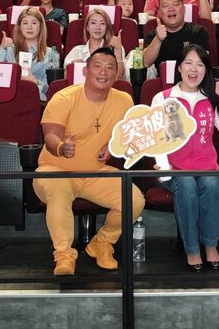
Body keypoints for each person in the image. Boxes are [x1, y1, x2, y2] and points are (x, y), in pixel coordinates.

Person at [34, 47, 145, 276]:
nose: (103, 72)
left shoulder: (124, 100)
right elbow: (50, 135)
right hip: (56, 169)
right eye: (97, 66)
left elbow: (127, 135)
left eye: (110, 68)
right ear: (85, 71)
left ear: (117, 75)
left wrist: (112, 149)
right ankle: (64, 255)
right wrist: (61, 147)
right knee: (59, 189)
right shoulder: (64, 97)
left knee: (134, 199)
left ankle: (102, 243)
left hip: (95, 172)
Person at [150, 44, 219, 271]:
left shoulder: (210, 99)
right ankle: (192, 248)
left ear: (205, 71)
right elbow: (155, 136)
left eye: (200, 65)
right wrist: (163, 166)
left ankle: (210, 244)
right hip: (172, 169)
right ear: (179, 68)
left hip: (206, 167)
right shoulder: (163, 98)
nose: (194, 69)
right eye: (188, 63)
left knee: (211, 183)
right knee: (187, 184)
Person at [0, 7, 61, 100]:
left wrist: (35, 82)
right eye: (25, 23)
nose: (29, 27)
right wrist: (2, 48)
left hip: (35, 98)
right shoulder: (8, 49)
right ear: (20, 27)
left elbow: (51, 86)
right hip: (9, 97)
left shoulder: (50, 53)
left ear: (40, 26)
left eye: (34, 23)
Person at [143, 0, 210, 76]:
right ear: (159, 13)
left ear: (184, 9)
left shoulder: (198, 32)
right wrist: (158, 39)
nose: (171, 8)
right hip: (162, 83)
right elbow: (146, 62)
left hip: (192, 81)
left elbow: (202, 64)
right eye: (165, 6)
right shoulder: (153, 35)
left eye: (175, 4)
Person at [62, 8, 127, 79]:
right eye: (93, 23)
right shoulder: (76, 51)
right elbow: (65, 80)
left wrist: (118, 49)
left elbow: (119, 78)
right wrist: (71, 69)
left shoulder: (115, 48)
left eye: (102, 23)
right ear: (87, 27)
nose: (97, 27)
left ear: (106, 27)